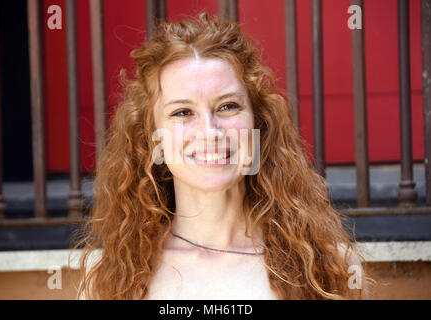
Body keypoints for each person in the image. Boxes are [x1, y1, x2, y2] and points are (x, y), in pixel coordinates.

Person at [76, 12, 369, 300]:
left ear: (258, 123)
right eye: (182, 112)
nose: (210, 132)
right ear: (155, 140)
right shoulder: (110, 282)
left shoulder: (328, 269)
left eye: (228, 106)